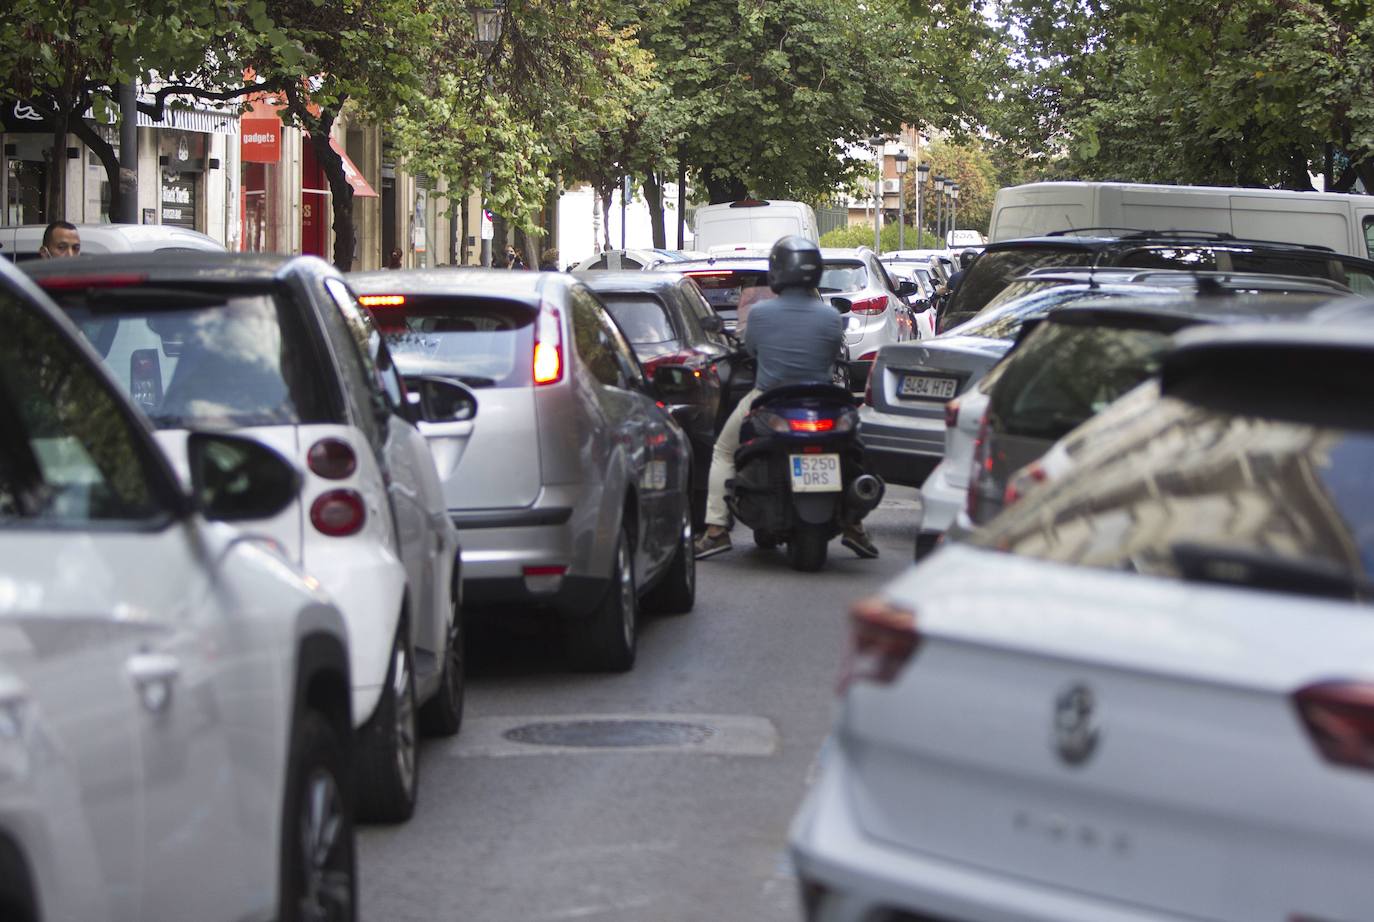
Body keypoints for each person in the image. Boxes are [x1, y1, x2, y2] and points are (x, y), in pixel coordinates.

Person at [694, 236, 880, 560]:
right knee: (855, 451)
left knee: (724, 451)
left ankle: (716, 530)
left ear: (778, 271)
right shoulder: (830, 316)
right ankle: (855, 526)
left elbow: (751, 350)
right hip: (825, 401)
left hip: (769, 397)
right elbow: (832, 355)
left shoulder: (761, 315)